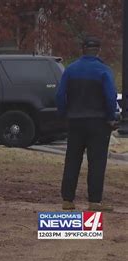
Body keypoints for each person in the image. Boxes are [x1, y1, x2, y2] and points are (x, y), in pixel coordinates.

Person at [56, 36, 118, 212]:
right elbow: (110, 96)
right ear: (98, 51)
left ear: (82, 50)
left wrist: (63, 113)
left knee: (72, 160)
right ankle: (94, 202)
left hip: (75, 122)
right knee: (97, 162)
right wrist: (110, 117)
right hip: (98, 123)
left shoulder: (70, 70)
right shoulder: (104, 70)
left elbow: (60, 95)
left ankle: (67, 200)